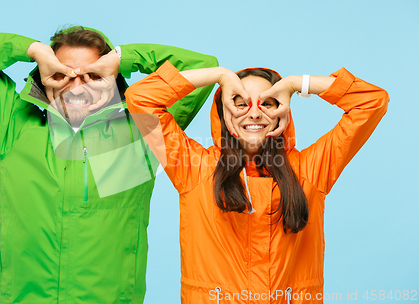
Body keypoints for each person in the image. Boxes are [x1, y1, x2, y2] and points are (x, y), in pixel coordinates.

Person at [0, 26, 218, 304]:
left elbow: (202, 68)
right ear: (44, 75)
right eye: (62, 74)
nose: (77, 87)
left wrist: (122, 57)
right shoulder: (12, 128)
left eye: (93, 75)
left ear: (111, 79)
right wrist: (35, 50)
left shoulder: (141, 132)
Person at [125, 61, 389, 303]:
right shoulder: (193, 168)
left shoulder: (310, 170)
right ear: (224, 113)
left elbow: (372, 102)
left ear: (282, 110)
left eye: (267, 103)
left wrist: (298, 84)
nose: (254, 113)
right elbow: (141, 98)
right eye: (240, 103)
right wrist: (218, 75)